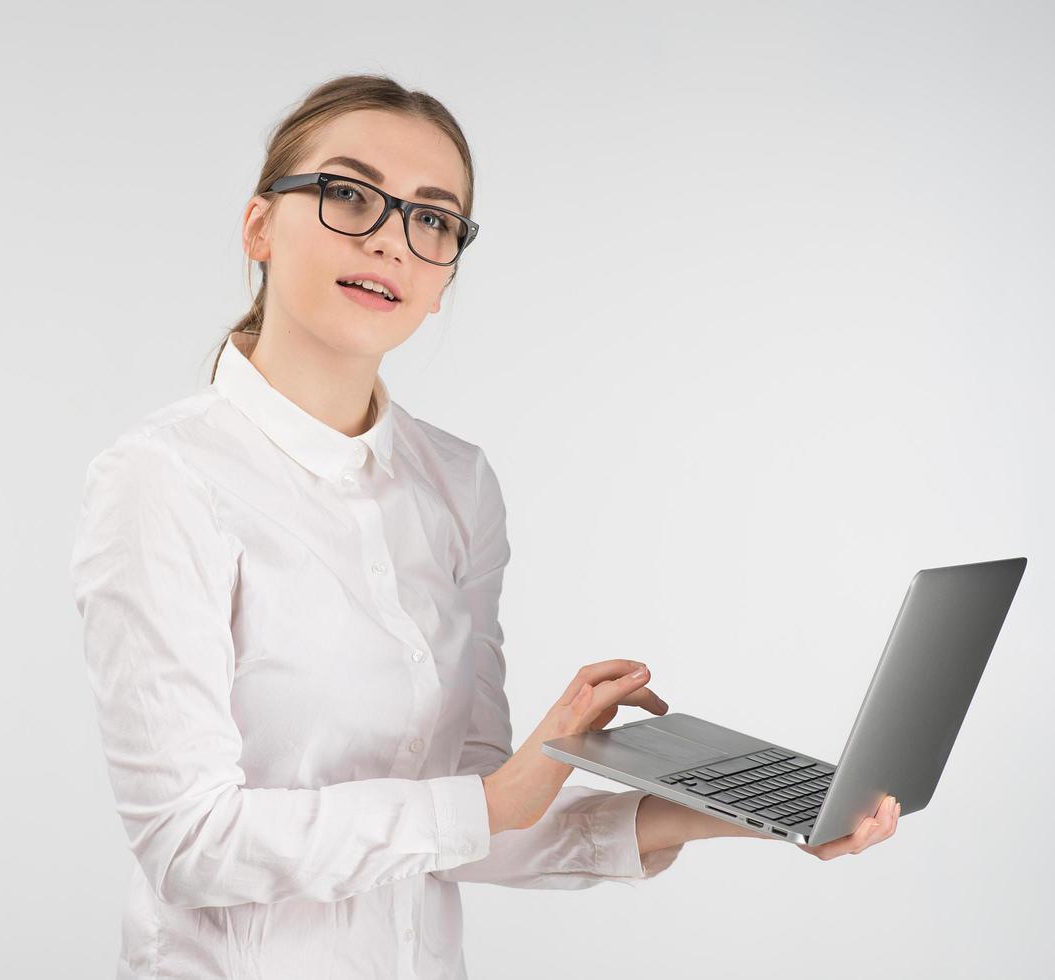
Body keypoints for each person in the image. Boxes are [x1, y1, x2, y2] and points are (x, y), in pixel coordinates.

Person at [69, 72, 898, 980]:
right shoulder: (163, 479)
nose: (391, 239)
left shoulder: (456, 484)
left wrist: (745, 810)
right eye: (348, 194)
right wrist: (487, 802)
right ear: (259, 225)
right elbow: (189, 845)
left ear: (444, 274)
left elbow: (474, 827)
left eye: (432, 219)